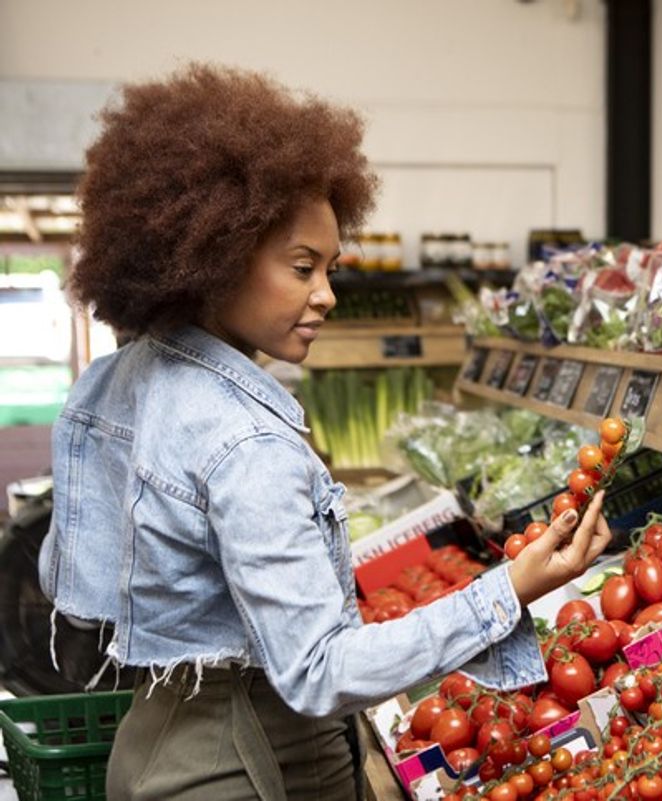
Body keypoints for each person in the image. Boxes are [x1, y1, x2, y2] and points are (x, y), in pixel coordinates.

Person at [38, 63, 612, 801]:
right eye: (302, 266)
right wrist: (511, 588)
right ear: (217, 255)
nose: (327, 294)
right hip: (250, 766)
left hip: (152, 740)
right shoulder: (247, 444)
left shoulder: (110, 385)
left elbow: (66, 578)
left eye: (331, 267)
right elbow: (318, 671)